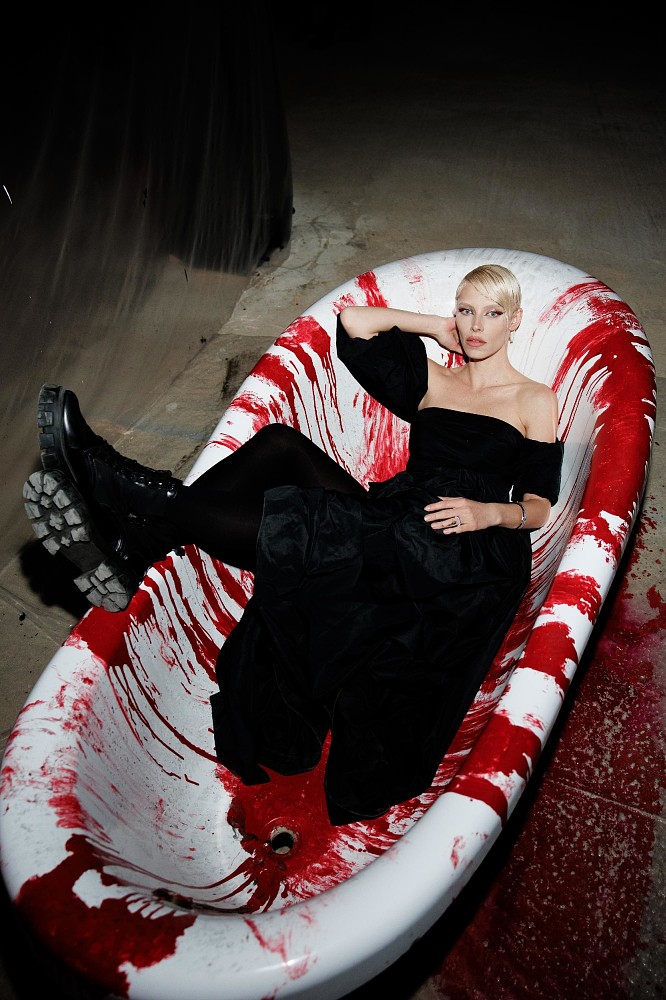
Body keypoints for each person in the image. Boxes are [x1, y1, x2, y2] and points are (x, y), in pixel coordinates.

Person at [23, 264, 563, 825]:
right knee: (282, 445)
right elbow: (354, 323)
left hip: (460, 552)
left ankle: (124, 492)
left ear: (515, 321)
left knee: (316, 529)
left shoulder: (533, 399)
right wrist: (436, 327)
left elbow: (540, 506)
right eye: (467, 310)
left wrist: (489, 513)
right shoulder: (433, 378)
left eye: (492, 314)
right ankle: (138, 541)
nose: (476, 326)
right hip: (398, 518)